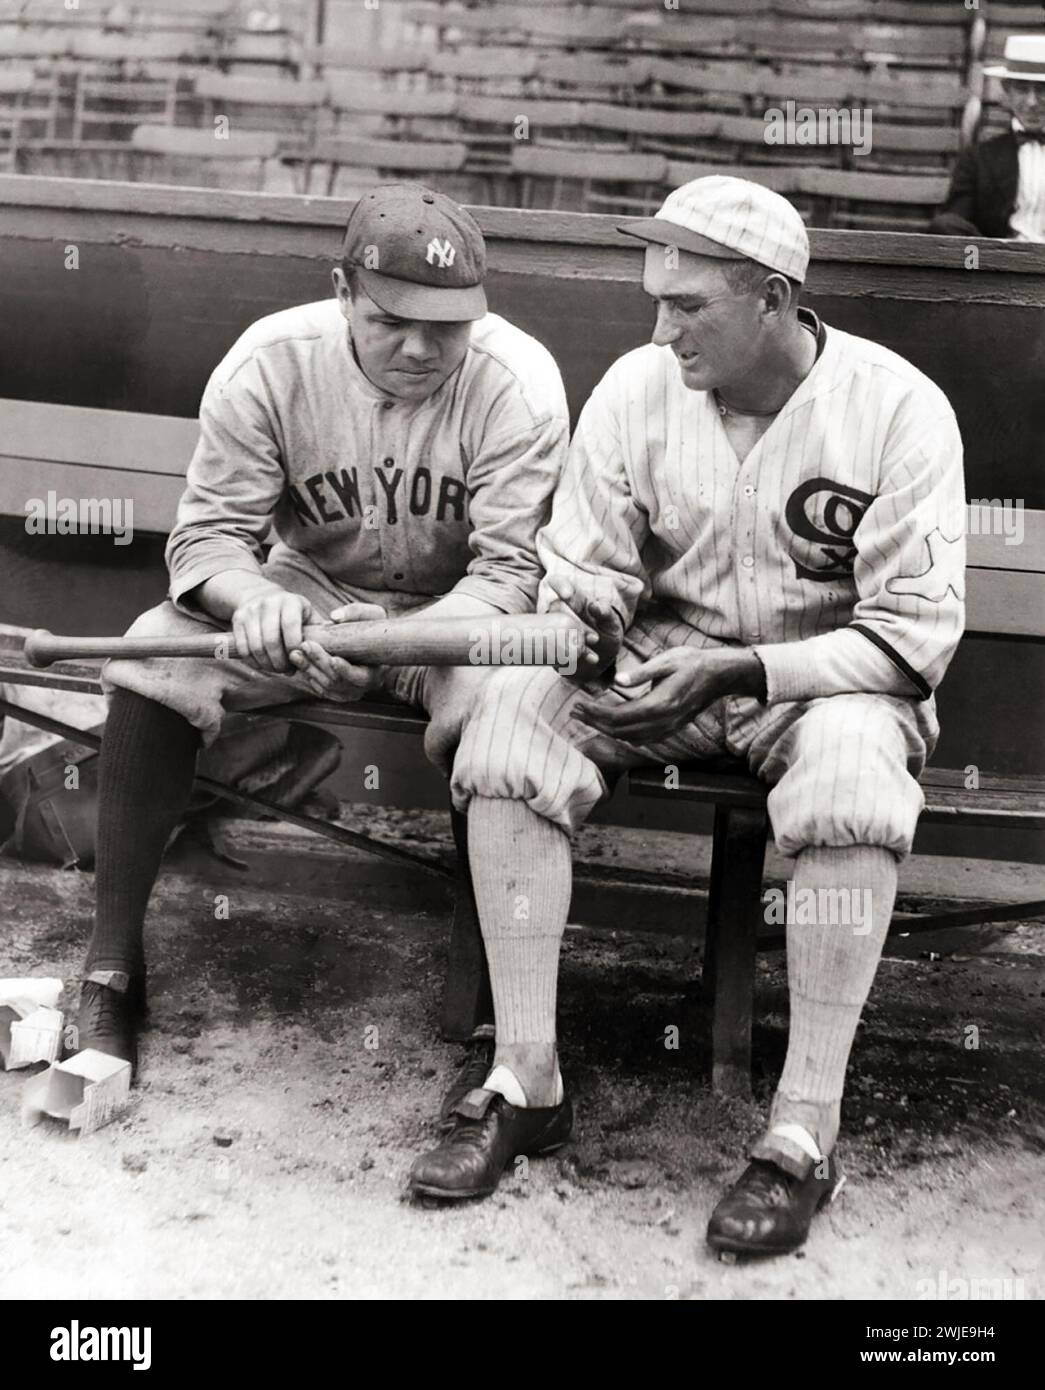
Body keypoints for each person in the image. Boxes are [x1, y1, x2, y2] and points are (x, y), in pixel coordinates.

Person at [411, 176, 966, 1257]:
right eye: (654, 300)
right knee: (509, 731)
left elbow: (912, 638)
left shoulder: (896, 407)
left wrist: (746, 670)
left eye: (689, 307)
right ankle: (524, 1078)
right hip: (663, 670)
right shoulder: (636, 389)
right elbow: (580, 573)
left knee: (855, 780)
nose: (661, 330)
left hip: (821, 683)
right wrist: (593, 621)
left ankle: (803, 1129)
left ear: (771, 298)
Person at [74, 184, 570, 1085]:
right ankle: (111, 968)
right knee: (151, 658)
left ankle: (502, 1013)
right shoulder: (270, 360)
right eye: (392, 320)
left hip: (451, 617)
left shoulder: (517, 382)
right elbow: (208, 537)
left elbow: (512, 575)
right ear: (342, 289)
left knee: (502, 716)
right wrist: (249, 603)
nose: (421, 348)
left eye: (446, 325)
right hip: (304, 591)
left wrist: (390, 641)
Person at [932, 34, 1045, 241]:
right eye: (1022, 88)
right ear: (1007, 91)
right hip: (1000, 265)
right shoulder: (979, 158)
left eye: (1042, 90)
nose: (1032, 102)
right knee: (945, 225)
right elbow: (953, 220)